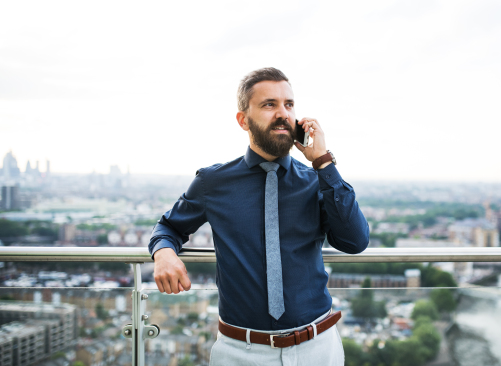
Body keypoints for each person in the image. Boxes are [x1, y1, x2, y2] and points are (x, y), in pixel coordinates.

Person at [148, 67, 369, 366]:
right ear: (243, 120)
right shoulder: (213, 182)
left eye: (288, 105)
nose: (283, 114)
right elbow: (169, 226)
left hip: (318, 348)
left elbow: (354, 241)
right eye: (269, 105)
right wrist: (163, 253)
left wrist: (323, 161)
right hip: (240, 351)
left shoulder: (318, 180)